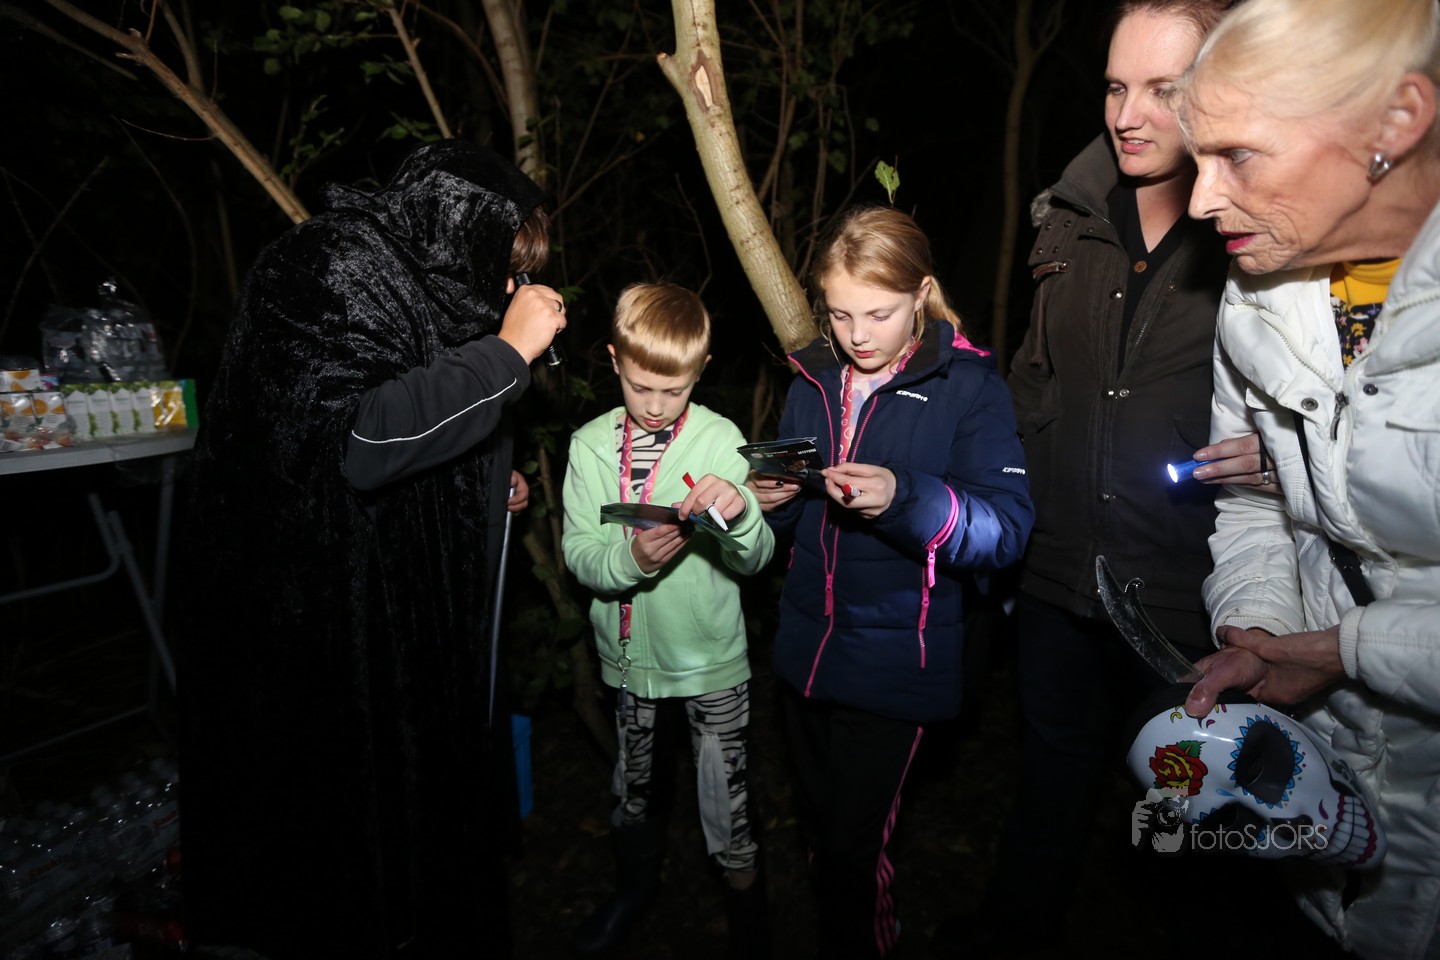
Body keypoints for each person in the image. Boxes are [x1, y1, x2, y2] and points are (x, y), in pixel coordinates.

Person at [179, 140, 566, 958]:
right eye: (506, 267)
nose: (509, 290)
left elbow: (413, 429)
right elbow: (360, 441)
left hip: (394, 622)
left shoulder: (414, 283)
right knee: (335, 862)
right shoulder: (330, 265)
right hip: (310, 629)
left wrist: (476, 487)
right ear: (459, 227)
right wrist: (507, 354)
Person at [963, 2, 1238, 950]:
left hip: (1188, 595)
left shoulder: (1254, 228)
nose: (1127, 114)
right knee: (1050, 783)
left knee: (1186, 827)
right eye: (1117, 86)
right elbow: (1030, 384)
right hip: (1055, 578)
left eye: (1163, 89)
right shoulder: (1068, 217)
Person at [1173, 0, 1440, 956]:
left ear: (1394, 122)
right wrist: (1262, 630)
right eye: (1197, 158)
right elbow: (1251, 499)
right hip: (1336, 791)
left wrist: (1345, 650)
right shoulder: (1258, 293)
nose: (1199, 201)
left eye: (1237, 155)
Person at [747, 205, 1034, 959]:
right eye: (840, 314)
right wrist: (772, 501)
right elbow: (792, 517)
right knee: (820, 834)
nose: (858, 335)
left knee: (853, 850)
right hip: (805, 651)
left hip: (897, 660)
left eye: (879, 313)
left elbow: (1006, 529)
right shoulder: (812, 381)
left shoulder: (967, 388)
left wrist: (905, 498)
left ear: (922, 294)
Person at [561, 283, 776, 957]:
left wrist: (741, 513)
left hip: (712, 663)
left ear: (701, 370)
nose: (655, 406)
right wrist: (629, 559)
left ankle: (749, 922)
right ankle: (634, 895)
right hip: (632, 668)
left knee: (727, 800)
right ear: (614, 360)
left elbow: (756, 560)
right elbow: (579, 554)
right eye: (639, 387)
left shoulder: (720, 440)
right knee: (636, 793)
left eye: (673, 391)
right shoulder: (590, 447)